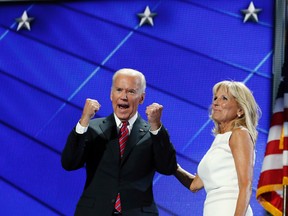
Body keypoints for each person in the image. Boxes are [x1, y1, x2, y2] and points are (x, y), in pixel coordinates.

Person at [61, 68, 178, 216]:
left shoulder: (153, 133)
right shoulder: (92, 128)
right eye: (119, 90)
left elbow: (168, 168)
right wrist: (84, 120)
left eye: (131, 91)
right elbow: (69, 163)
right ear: (111, 94)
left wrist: (156, 126)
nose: (123, 97)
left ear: (141, 98)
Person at [175, 80, 261, 216]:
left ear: (240, 110)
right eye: (215, 98)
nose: (215, 102)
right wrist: (172, 166)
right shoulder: (219, 142)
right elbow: (194, 185)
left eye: (224, 98)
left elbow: (246, 185)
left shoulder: (240, 134)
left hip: (230, 208)